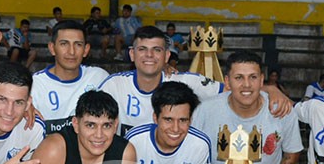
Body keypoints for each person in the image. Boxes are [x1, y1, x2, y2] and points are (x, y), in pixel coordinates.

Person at [98, 25, 291, 137]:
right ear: (132, 54)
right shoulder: (113, 86)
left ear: (166, 56)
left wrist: (271, 89)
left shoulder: (186, 82)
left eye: (156, 50)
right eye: (142, 49)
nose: (149, 55)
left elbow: (235, 88)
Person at [30, 19, 110, 134]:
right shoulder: (35, 84)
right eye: (64, 44)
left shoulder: (100, 78)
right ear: (52, 48)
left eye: (78, 44)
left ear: (86, 50)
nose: (71, 52)